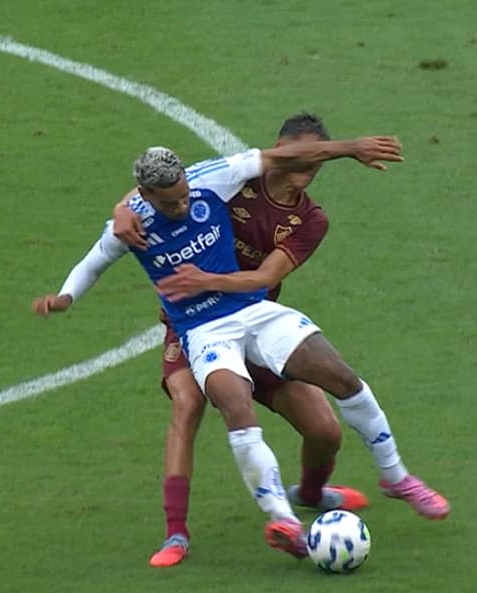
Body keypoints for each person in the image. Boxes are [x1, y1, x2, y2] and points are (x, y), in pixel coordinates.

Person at [33, 138, 449, 561]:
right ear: (146, 196)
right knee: (229, 406)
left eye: (183, 197)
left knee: (342, 379)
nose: (181, 207)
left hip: (254, 310)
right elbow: (92, 263)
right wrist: (65, 298)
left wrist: (349, 148)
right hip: (202, 332)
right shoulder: (130, 227)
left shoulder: (212, 180)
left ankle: (395, 477)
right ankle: (281, 521)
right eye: (170, 203)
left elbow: (278, 157)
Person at [110, 114, 365, 568]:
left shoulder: (308, 219)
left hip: (257, 326)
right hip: (198, 326)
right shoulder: (234, 182)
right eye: (300, 157)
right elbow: (160, 187)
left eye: (316, 164)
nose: (307, 169)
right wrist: (122, 208)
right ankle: (176, 533)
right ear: (281, 149)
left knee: (326, 431)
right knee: (187, 403)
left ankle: (308, 493)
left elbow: (267, 277)